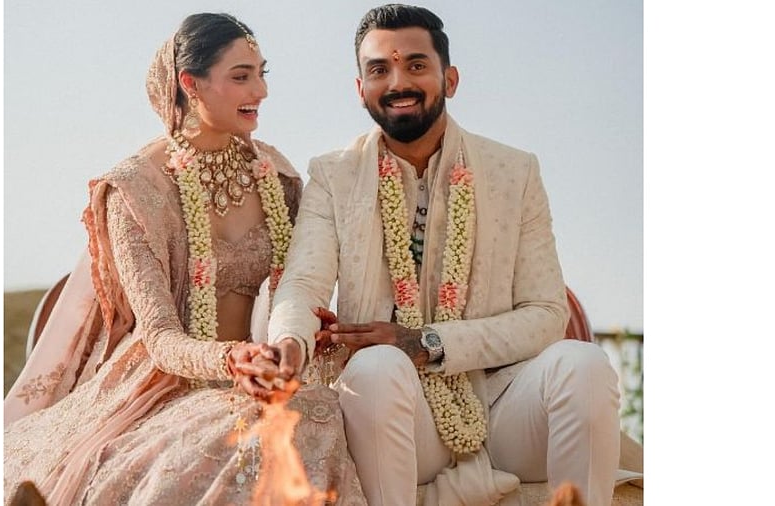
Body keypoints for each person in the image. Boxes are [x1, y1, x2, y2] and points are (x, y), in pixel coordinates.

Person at [265, 4, 622, 505]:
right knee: (374, 368)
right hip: (404, 414)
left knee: (583, 366)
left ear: (449, 79)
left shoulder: (512, 172)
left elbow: (545, 315)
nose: (398, 82)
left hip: (504, 404)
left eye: (416, 65)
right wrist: (289, 343)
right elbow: (303, 284)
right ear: (360, 88)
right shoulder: (335, 175)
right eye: (379, 70)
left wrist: (429, 342)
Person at [3, 13, 365, 506]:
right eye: (241, 76)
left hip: (273, 377)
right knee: (230, 436)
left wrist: (308, 334)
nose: (260, 91)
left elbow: (301, 288)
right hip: (169, 382)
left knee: (316, 414)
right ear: (189, 84)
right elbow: (160, 337)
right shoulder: (133, 190)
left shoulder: (279, 177)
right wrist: (228, 360)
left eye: (262, 73)